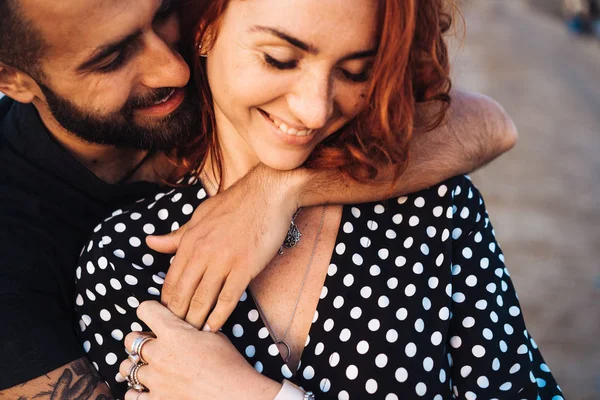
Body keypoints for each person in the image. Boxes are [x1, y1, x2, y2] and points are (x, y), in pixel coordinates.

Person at [0, 0, 517, 398]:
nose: (173, 70)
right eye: (112, 58)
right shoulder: (107, 258)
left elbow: (490, 125)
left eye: (164, 15)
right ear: (13, 80)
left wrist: (277, 189)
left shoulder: (430, 209)